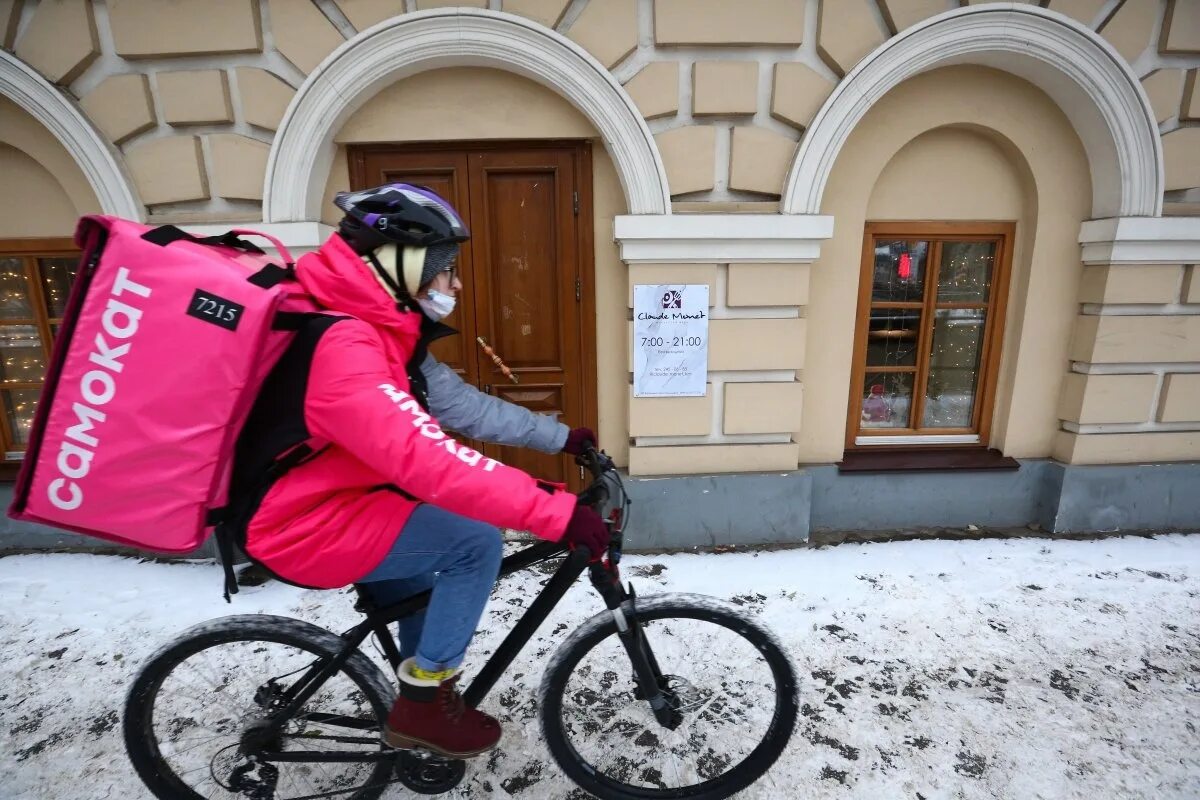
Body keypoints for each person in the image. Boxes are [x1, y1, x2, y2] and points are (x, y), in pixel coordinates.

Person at [230, 183, 610, 759]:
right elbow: (425, 456)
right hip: (301, 523)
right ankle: (424, 708)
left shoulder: (382, 333)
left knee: (430, 586)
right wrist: (556, 512)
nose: (455, 284)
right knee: (473, 544)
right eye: (445, 269)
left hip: (343, 502)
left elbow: (463, 408)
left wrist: (562, 437)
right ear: (398, 263)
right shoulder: (345, 348)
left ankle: (418, 697)